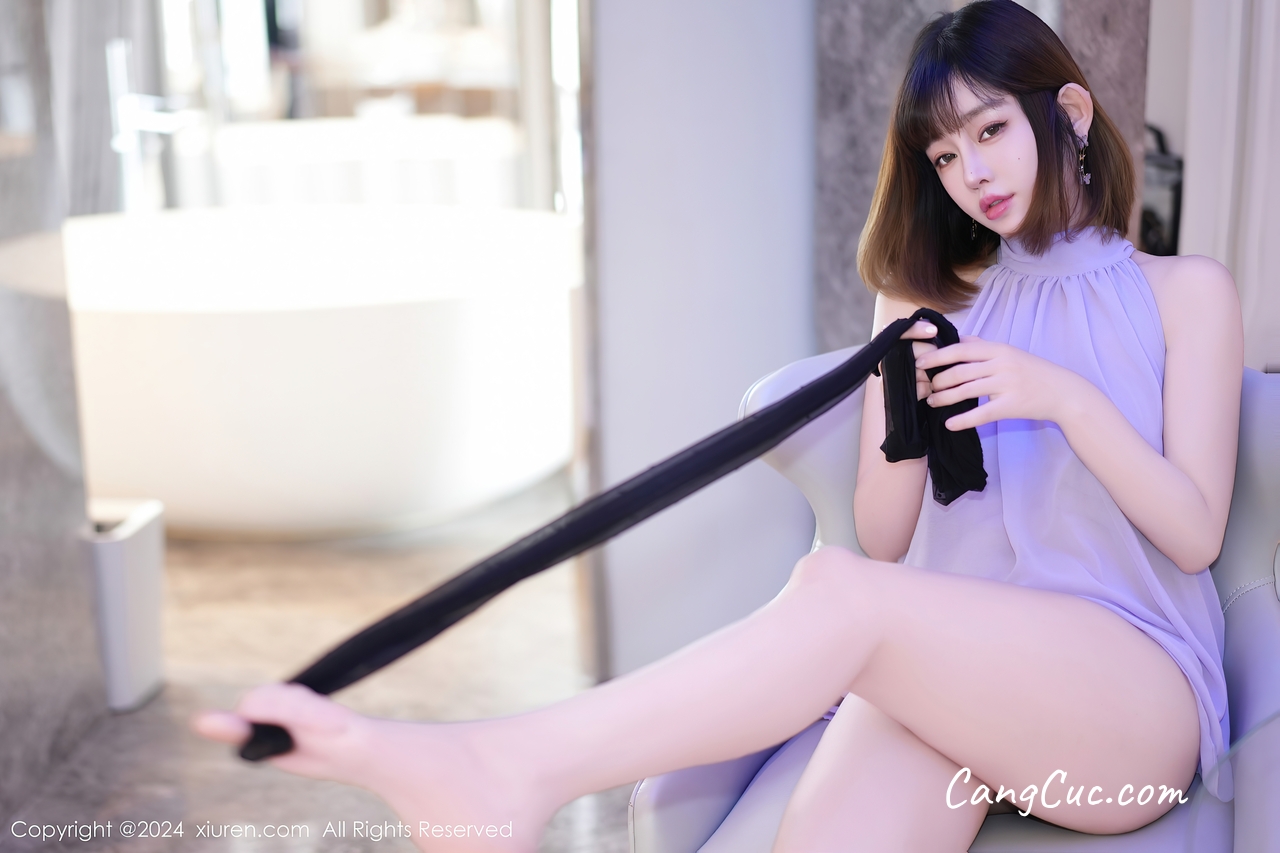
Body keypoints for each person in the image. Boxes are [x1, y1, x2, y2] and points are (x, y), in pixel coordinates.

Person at [193, 2, 1243, 850]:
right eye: (941, 154)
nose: (970, 172)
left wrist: (1062, 398)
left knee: (834, 593)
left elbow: (1194, 534)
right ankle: (498, 770)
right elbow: (884, 542)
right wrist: (902, 402)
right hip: (958, 677)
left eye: (989, 130)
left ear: (1066, 112)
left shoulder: (1184, 293)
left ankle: (510, 766)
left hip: (1128, 704)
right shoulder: (927, 301)